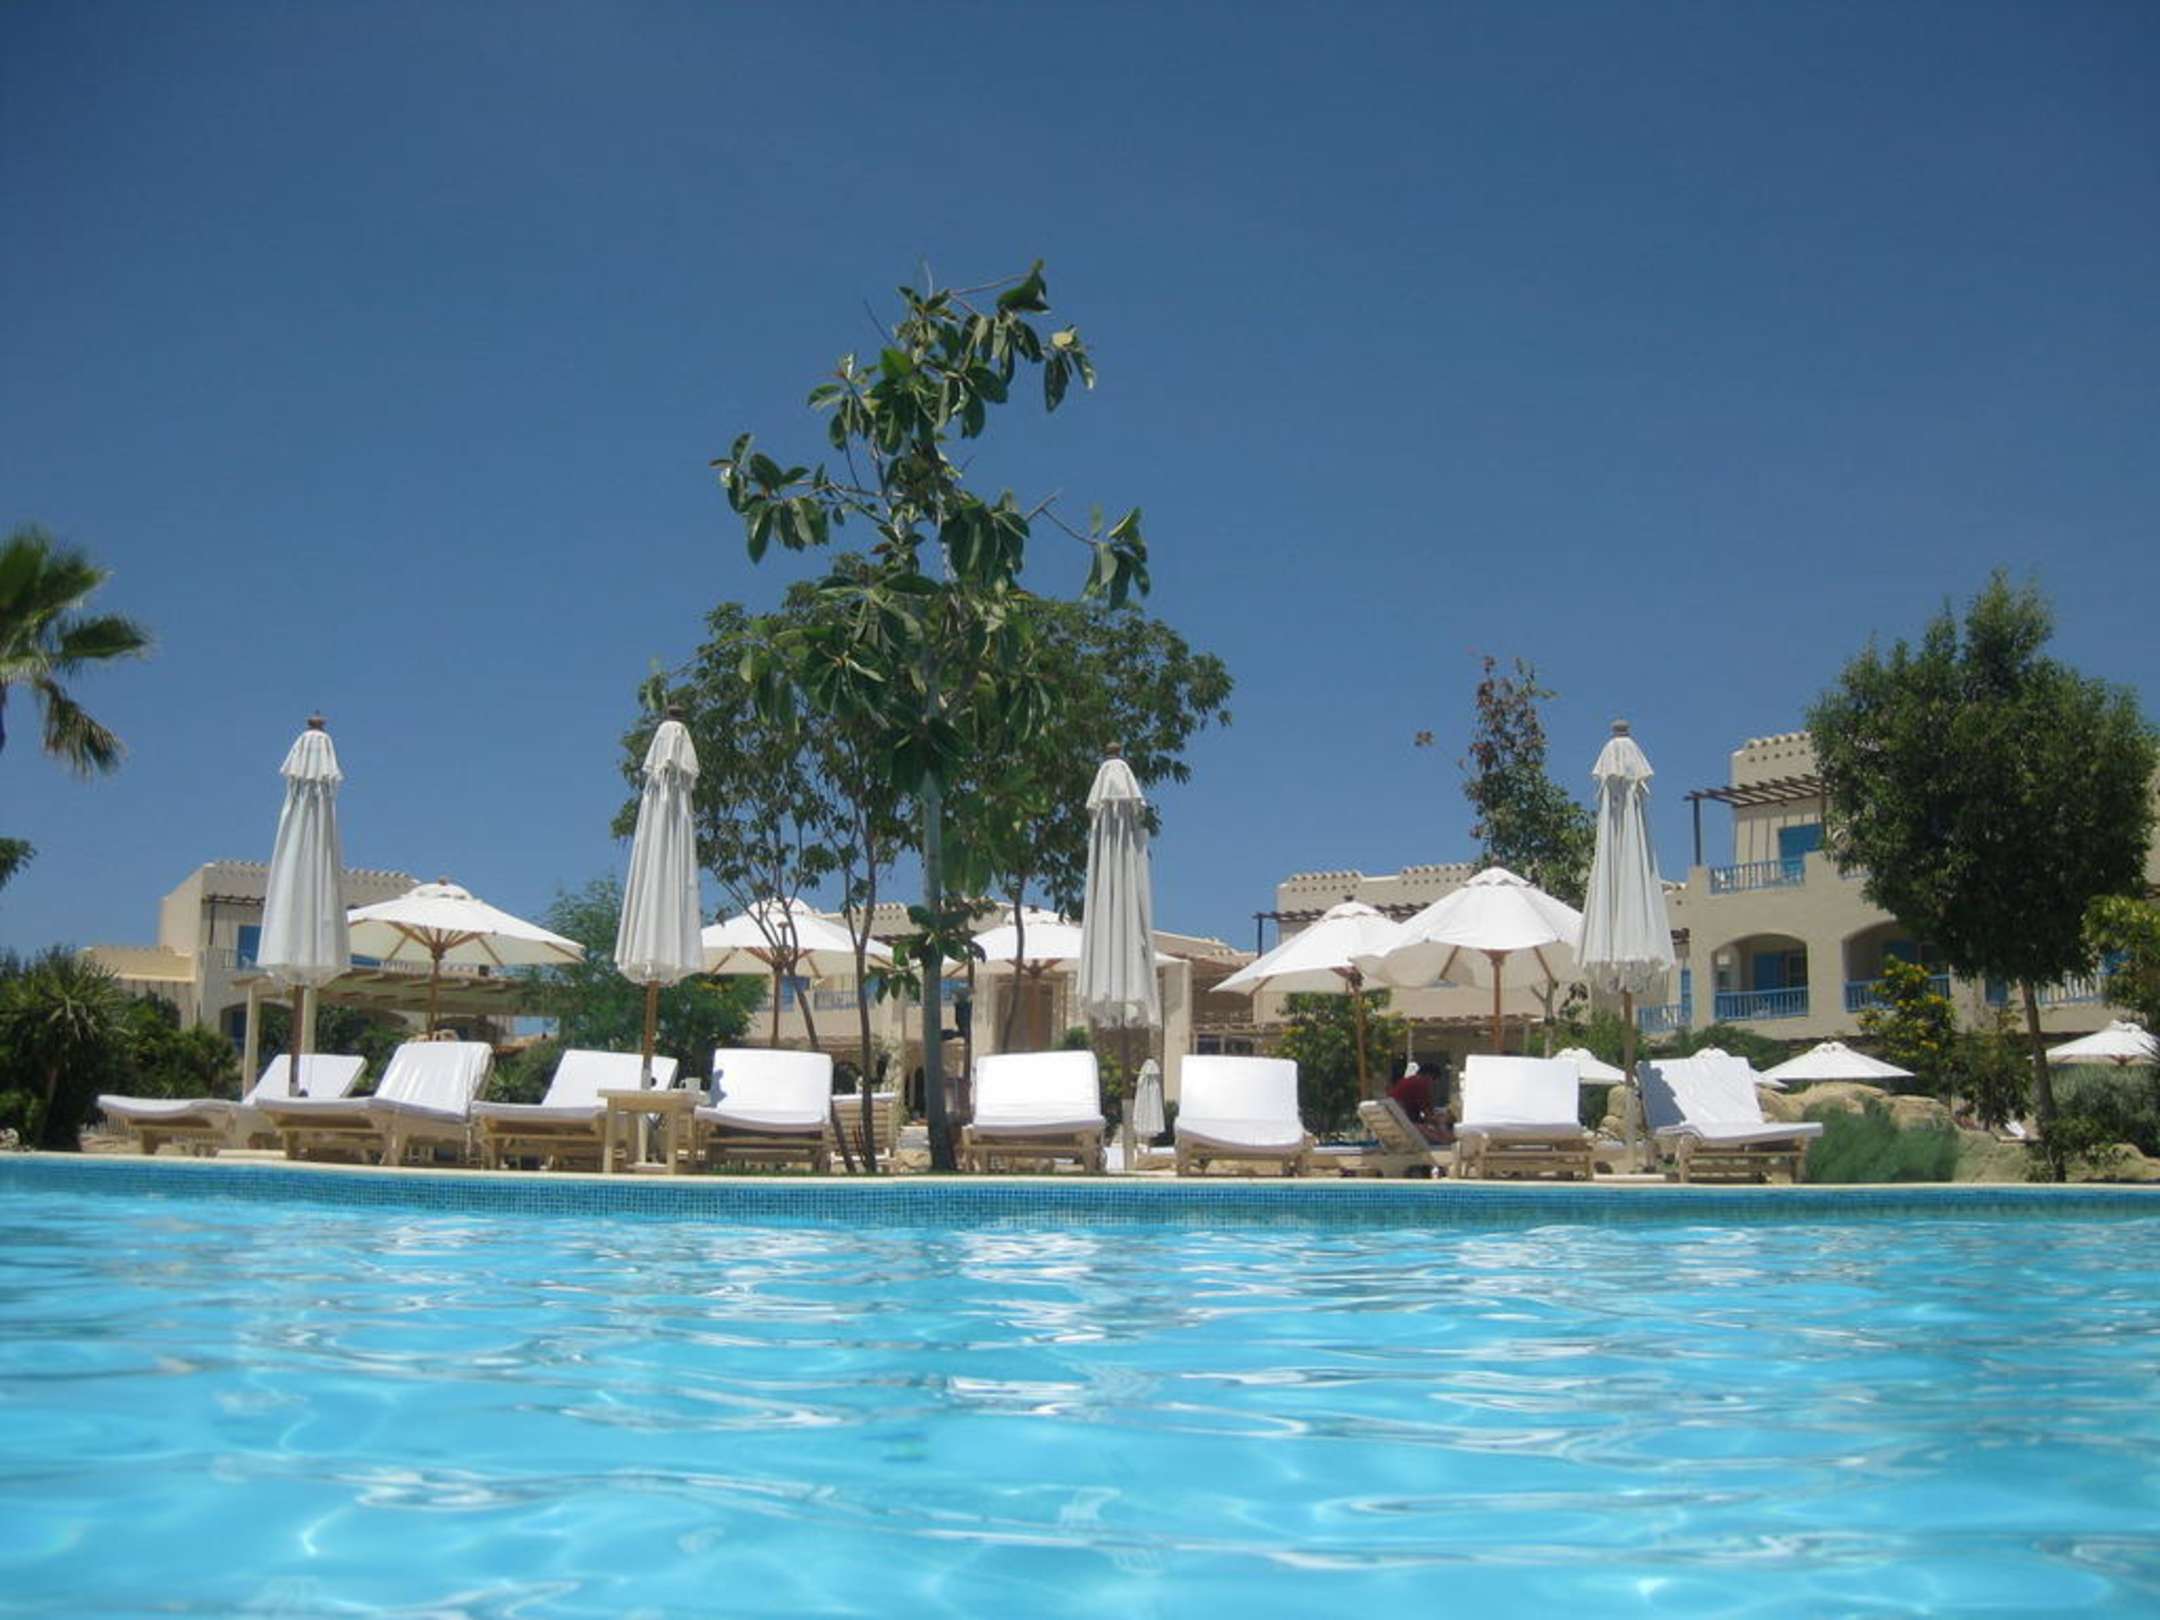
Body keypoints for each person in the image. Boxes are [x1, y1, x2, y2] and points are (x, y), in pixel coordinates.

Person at [1387, 1061, 1453, 1144]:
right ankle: (1447, 1142)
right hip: (1402, 1121)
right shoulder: (1421, 1083)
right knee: (1434, 1126)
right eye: (1433, 1080)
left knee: (1430, 1126)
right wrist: (1440, 1121)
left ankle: (1447, 1140)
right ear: (1429, 1076)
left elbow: (1422, 1111)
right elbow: (1427, 1113)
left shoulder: (1410, 1081)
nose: (1432, 1084)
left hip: (1397, 1117)